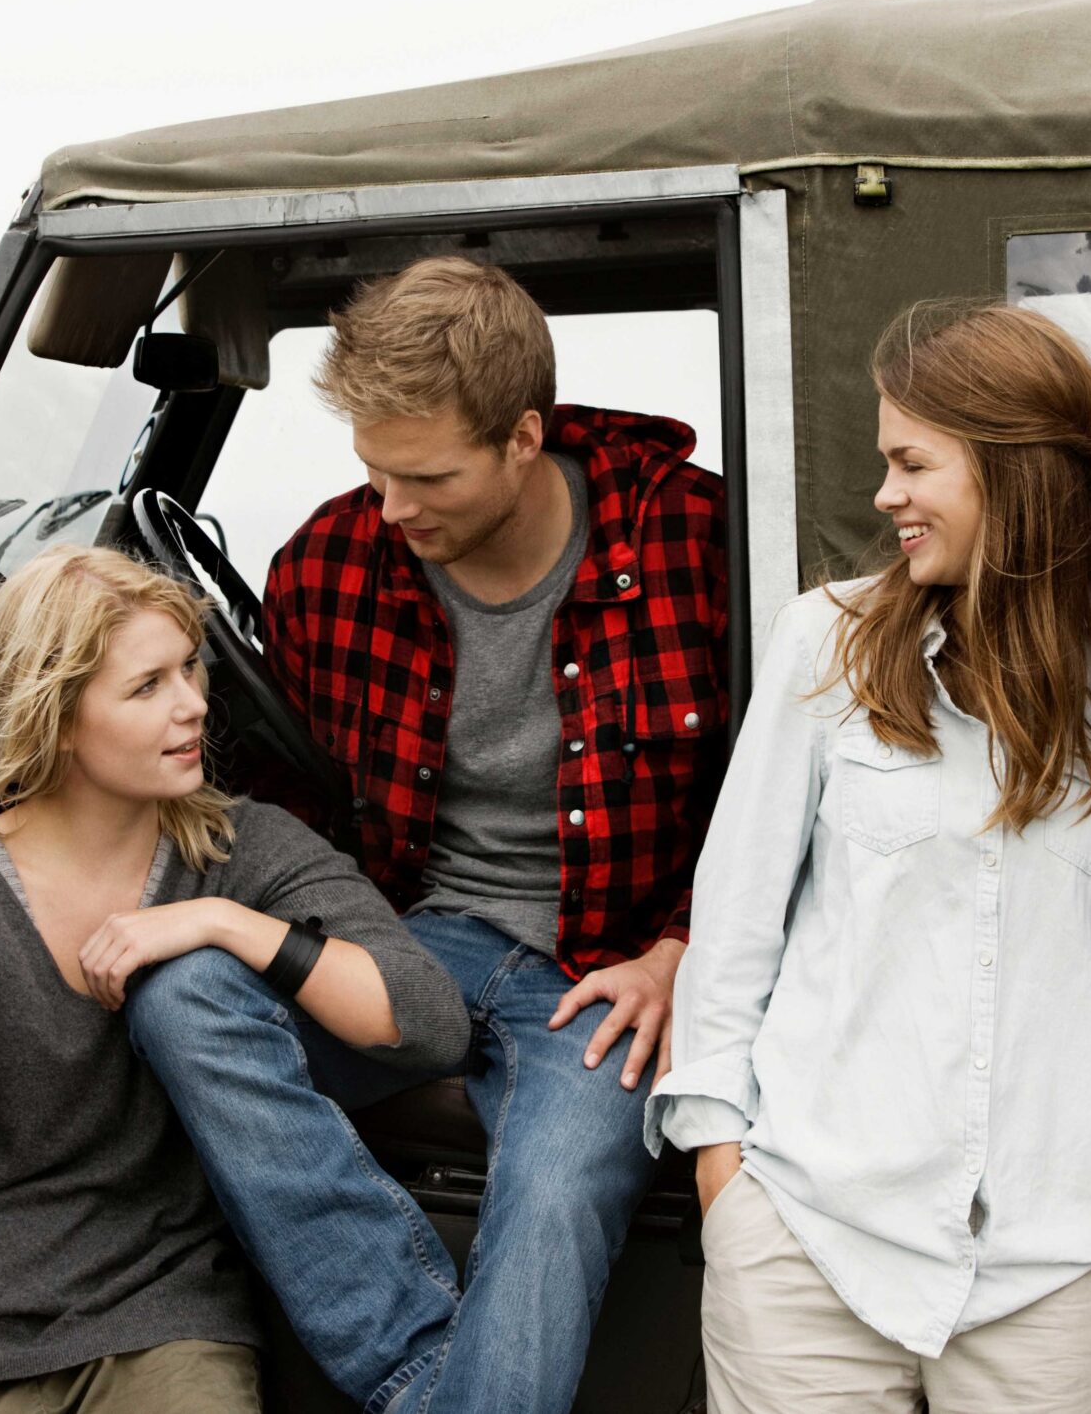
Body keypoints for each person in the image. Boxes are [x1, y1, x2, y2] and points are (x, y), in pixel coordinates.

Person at [126, 255, 728, 1414]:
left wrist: (679, 953)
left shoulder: (691, 541)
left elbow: (777, 793)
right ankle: (425, 1379)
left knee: (554, 1190)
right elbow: (293, 813)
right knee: (181, 996)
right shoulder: (331, 560)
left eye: (427, 476)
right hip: (415, 943)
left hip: (608, 967)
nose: (394, 509)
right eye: (374, 471)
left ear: (522, 438)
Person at [648, 301, 1091, 1414]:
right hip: (809, 1233)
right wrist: (720, 1166)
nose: (885, 494)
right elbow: (735, 915)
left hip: (1059, 1257)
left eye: (911, 462)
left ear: (1011, 472)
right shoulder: (825, 640)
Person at [0, 547, 470, 1414]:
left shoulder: (242, 851)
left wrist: (224, 923)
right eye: (148, 686)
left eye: (190, 669)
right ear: (59, 715)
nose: (192, 706)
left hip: (167, 1318)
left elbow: (427, 1020)